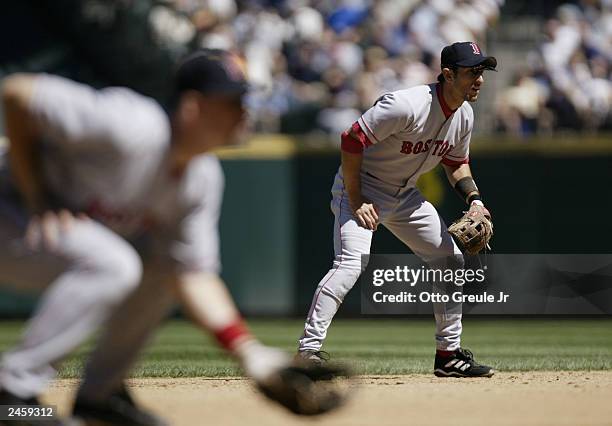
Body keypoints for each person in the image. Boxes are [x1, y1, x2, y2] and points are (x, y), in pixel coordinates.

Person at [0, 49, 342, 426]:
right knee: (114, 263)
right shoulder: (131, 126)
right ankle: (12, 395)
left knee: (164, 267)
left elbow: (192, 274)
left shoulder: (201, 177)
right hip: (10, 209)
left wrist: (249, 353)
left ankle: (100, 397)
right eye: (231, 102)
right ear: (194, 106)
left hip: (38, 237)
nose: (244, 112)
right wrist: (37, 196)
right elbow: (17, 92)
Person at [296, 42, 497, 378]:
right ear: (448, 74)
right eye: (472, 72)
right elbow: (351, 139)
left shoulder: (464, 115)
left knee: (449, 259)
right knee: (350, 264)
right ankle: (307, 353)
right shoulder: (405, 104)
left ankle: (448, 356)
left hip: (404, 195)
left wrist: (475, 199)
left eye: (482, 72)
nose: (479, 79)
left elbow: (457, 163)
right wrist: (358, 199)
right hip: (361, 186)